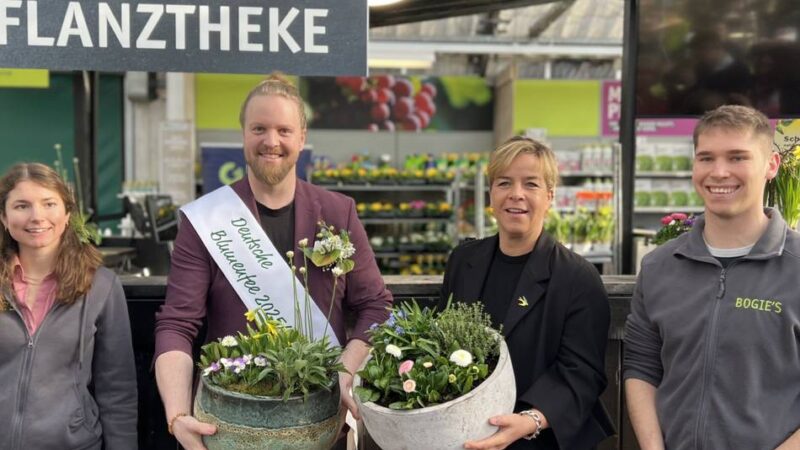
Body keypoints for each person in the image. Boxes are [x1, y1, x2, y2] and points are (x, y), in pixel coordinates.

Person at [154, 75, 393, 450]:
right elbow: (177, 324)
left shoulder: (337, 212)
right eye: (259, 129)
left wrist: (347, 370)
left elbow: (376, 306)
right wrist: (177, 414)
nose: (271, 141)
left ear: (302, 136)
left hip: (321, 428)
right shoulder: (206, 220)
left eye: (284, 130)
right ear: (243, 134)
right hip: (231, 430)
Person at [624, 105, 800, 449]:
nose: (719, 172)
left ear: (771, 165)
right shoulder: (659, 266)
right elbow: (642, 366)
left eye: (737, 157)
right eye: (706, 158)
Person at [439, 137, 615, 449]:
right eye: (504, 182)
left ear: (550, 196)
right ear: (491, 194)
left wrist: (531, 420)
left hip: (540, 439)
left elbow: (582, 372)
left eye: (530, 184)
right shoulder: (463, 261)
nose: (516, 194)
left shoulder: (577, 277)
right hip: (466, 436)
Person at [0, 162, 138, 450]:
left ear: (67, 214)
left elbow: (117, 390)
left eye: (49, 204)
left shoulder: (101, 286)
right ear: (4, 217)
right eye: (22, 206)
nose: (37, 216)